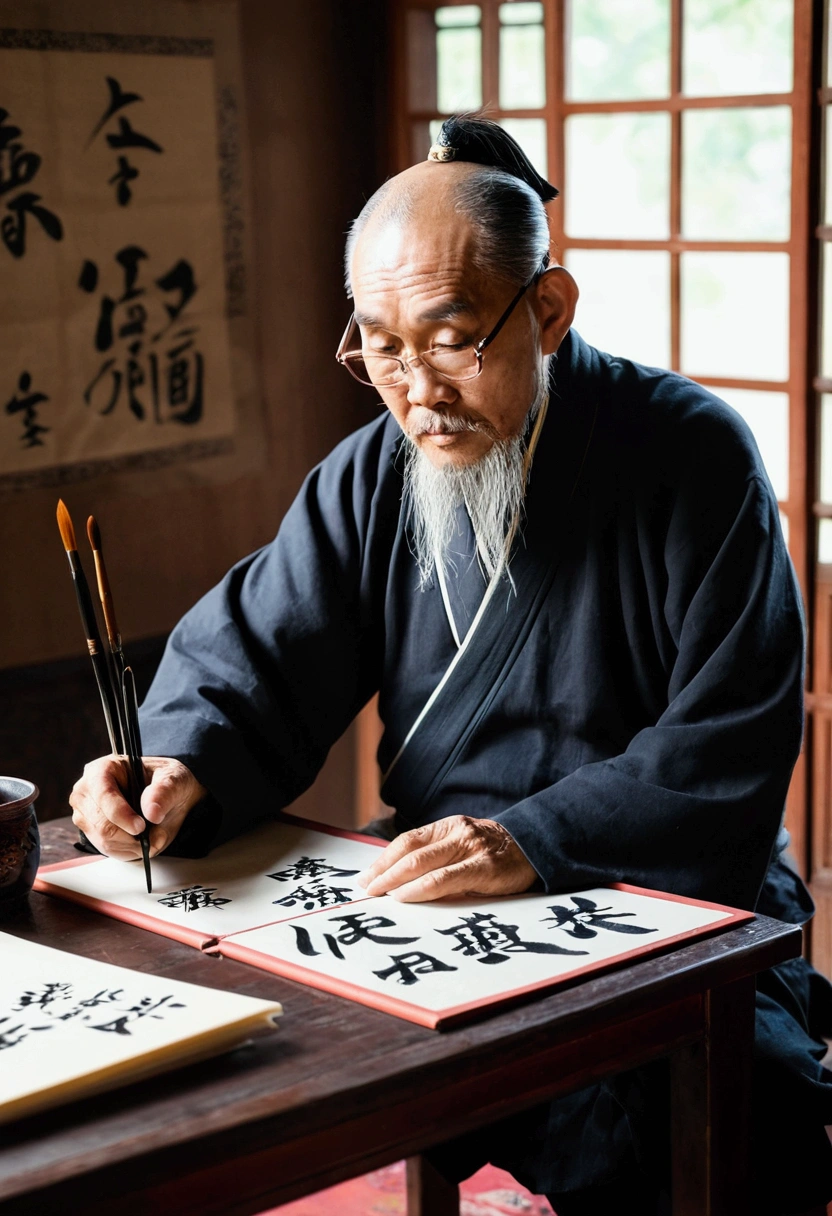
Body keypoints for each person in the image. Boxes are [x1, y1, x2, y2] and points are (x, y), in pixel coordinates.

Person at [69, 115, 832, 1214]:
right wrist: (180, 764)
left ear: (550, 311)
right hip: (433, 896)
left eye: (450, 336)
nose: (414, 386)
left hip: (650, 887)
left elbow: (730, 735)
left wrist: (533, 839)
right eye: (379, 343)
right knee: (241, 1048)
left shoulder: (690, 455)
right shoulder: (369, 476)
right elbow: (259, 657)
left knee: (734, 1098)